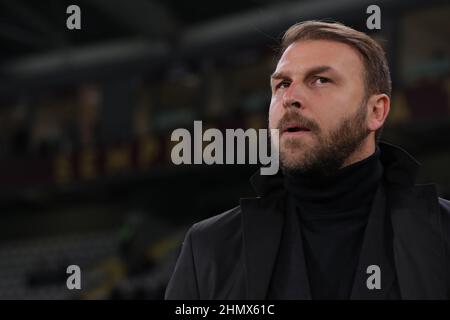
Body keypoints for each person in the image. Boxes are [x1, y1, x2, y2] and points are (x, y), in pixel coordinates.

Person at [165, 20, 450, 300]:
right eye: (282, 84)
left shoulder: (443, 235)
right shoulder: (209, 248)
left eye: (320, 80)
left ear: (376, 111)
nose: (291, 97)